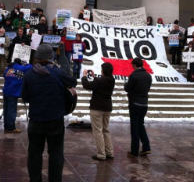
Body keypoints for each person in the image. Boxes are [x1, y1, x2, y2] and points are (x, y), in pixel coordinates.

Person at [21, 44, 77, 182]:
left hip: (36, 120)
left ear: (37, 58)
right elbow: (73, 81)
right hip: (55, 119)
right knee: (56, 153)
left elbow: (25, 97)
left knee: (34, 154)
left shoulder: (29, 75)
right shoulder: (58, 72)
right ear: (51, 57)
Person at [81, 63, 115, 161]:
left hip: (97, 108)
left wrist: (84, 76)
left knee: (98, 131)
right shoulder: (111, 80)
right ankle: (109, 152)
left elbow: (87, 85)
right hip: (107, 107)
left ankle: (101, 154)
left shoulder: (102, 81)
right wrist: (94, 77)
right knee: (105, 130)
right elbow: (100, 84)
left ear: (104, 70)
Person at [124, 58, 152, 157]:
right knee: (141, 125)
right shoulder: (148, 76)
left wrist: (126, 84)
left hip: (135, 103)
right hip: (144, 103)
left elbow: (127, 88)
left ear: (135, 65)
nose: (132, 67)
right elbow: (147, 88)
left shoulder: (133, 75)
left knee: (134, 127)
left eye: (133, 65)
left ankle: (134, 151)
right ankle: (146, 147)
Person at [3, 58, 32, 133]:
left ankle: (6, 125)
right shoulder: (21, 68)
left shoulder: (9, 69)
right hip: (13, 92)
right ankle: (11, 127)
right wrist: (25, 63)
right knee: (12, 110)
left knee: (6, 109)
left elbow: (4, 76)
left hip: (6, 91)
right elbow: (30, 67)